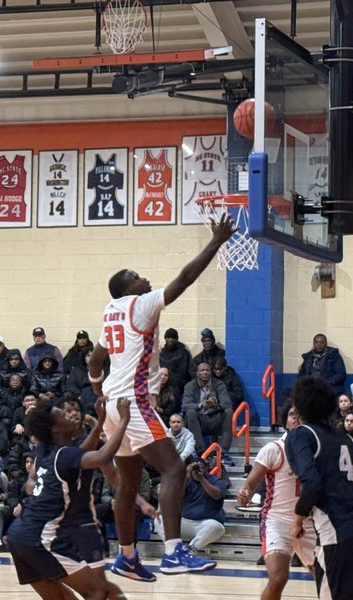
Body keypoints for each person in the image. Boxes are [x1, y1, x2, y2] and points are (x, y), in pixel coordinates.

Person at [88, 212, 234, 580]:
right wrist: (216, 242)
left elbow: (96, 357)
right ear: (127, 288)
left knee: (128, 483)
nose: (144, 278)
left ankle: (126, 557)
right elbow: (183, 280)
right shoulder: (142, 304)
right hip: (133, 402)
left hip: (112, 403)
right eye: (137, 276)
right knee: (174, 468)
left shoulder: (110, 312)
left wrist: (95, 386)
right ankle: (173, 553)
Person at [6, 397, 129, 600]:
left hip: (18, 535)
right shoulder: (63, 455)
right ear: (55, 428)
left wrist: (100, 421)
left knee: (60, 598)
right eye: (63, 414)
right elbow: (101, 457)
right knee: (96, 592)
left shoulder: (46, 450)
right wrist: (124, 419)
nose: (70, 415)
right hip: (41, 537)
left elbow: (82, 452)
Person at [286, 376, 353, 600]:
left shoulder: (301, 434)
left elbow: (312, 484)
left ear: (297, 407)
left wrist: (297, 520)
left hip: (337, 530)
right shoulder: (348, 439)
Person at [237, 401, 317, 600]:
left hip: (308, 522)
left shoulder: (316, 449)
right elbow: (251, 482)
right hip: (277, 522)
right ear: (285, 421)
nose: (296, 418)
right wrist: (244, 491)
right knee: (278, 577)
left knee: (327, 579)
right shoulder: (273, 449)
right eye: (292, 414)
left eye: (301, 414)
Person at [182, 362, 235, 465]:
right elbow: (185, 405)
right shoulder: (190, 386)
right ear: (197, 373)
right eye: (202, 370)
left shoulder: (219, 384)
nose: (205, 372)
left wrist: (216, 406)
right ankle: (201, 452)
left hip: (214, 419)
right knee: (190, 413)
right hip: (199, 420)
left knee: (229, 412)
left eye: (207, 370)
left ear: (211, 372)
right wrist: (201, 405)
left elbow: (227, 404)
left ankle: (224, 453)